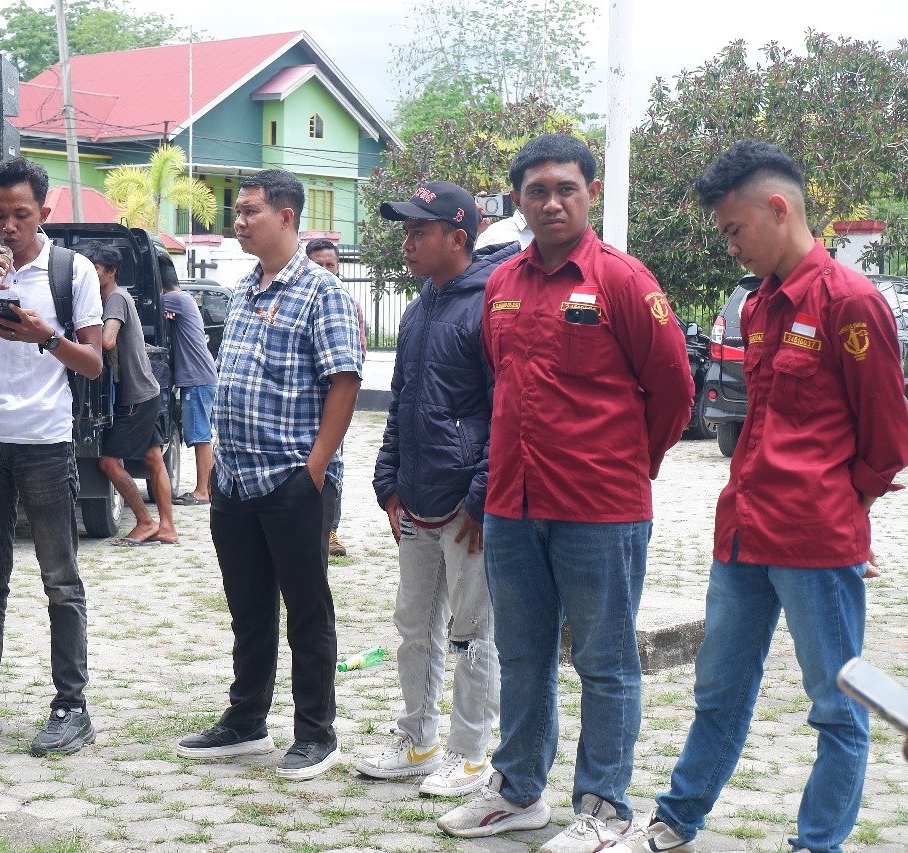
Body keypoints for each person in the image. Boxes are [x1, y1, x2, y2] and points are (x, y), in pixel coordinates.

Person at [608, 141, 908, 853]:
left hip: (814, 543)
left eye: (734, 229)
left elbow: (888, 438)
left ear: (778, 209)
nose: (731, 245)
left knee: (838, 704)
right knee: (718, 689)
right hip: (742, 533)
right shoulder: (761, 304)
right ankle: (677, 818)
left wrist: (843, 512)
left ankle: (817, 843)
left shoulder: (850, 303)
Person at [438, 134, 694, 851]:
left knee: (604, 662)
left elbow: (674, 389)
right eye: (537, 191)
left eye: (566, 189)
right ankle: (518, 791)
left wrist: (629, 464)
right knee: (522, 655)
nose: (552, 202)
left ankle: (604, 807)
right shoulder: (501, 284)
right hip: (513, 506)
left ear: (590, 193)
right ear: (518, 200)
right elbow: (500, 384)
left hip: (601, 509)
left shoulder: (624, 280)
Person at [176, 169, 362, 780]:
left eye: (251, 210)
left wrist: (315, 469)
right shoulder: (244, 289)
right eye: (238, 211)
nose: (239, 221)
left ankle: (316, 733)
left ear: (287, 217)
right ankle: (245, 721)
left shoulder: (321, 292)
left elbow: (344, 382)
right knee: (248, 608)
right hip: (235, 481)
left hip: (291, 481)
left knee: (307, 610)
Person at [0, 157, 104, 756]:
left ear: (44, 212)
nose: (8, 227)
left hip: (45, 442)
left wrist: (44, 335)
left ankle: (71, 707)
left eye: (21, 214)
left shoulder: (71, 271)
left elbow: (93, 362)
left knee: (60, 579)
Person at [360, 181, 518, 797]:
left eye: (419, 231)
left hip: (466, 505)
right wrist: (388, 481)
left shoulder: (489, 307)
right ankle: (417, 740)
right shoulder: (418, 309)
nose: (407, 242)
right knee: (413, 625)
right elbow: (402, 400)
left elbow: (506, 409)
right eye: (406, 230)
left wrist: (482, 496)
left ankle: (471, 753)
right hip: (416, 498)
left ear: (457, 238)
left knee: (474, 633)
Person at [86, 241, 176, 546]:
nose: (90, 274)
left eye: (96, 269)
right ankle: (167, 528)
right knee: (153, 458)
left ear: (111, 271)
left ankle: (145, 521)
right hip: (146, 390)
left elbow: (107, 341)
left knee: (108, 462)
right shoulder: (116, 296)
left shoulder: (114, 298)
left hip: (135, 395)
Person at [304, 237, 365, 558]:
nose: (327, 270)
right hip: (303, 404)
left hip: (334, 401)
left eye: (331, 265)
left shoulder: (346, 304)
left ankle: (330, 530)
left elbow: (357, 357)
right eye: (319, 265)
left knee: (332, 462)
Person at [159, 254, 218, 508]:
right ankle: (210, 489)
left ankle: (202, 491)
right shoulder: (182, 300)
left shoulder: (174, 299)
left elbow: (145, 306)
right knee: (202, 434)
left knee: (200, 435)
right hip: (202, 376)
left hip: (196, 379)